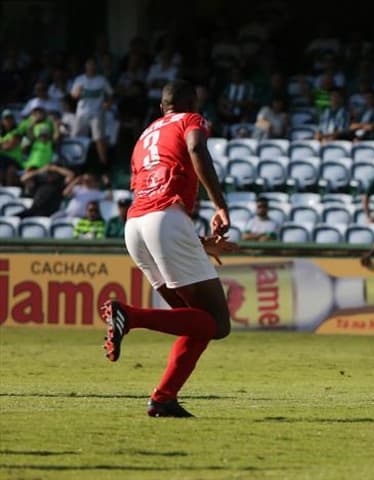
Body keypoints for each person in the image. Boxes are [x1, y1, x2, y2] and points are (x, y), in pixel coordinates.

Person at [100, 79, 233, 418]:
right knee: (217, 323)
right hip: (165, 222)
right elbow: (196, 149)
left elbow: (152, 187)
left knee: (196, 322)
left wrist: (196, 242)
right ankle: (129, 316)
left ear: (162, 107)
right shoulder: (191, 120)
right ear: (194, 104)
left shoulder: (144, 137)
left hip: (136, 227)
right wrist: (220, 205)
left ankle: (163, 398)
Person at [70, 57, 114, 167]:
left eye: (93, 66)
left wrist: (108, 103)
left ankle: (104, 164)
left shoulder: (102, 80)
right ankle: (79, 162)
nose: (91, 68)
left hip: (97, 113)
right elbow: (73, 95)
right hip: (82, 113)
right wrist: (77, 93)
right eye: (89, 66)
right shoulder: (80, 79)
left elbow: (111, 94)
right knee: (79, 137)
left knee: (99, 138)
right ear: (86, 67)